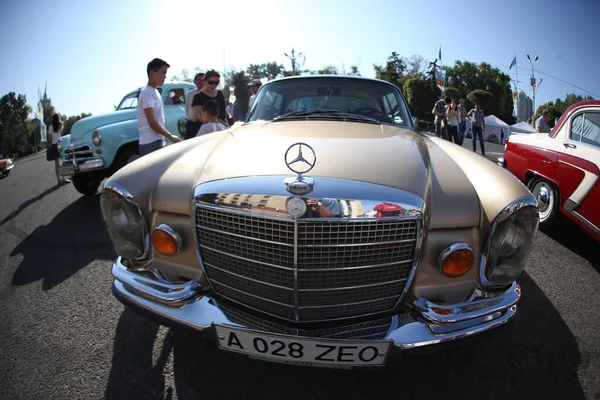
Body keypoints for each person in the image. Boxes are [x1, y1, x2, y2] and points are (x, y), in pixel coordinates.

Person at [137, 58, 182, 156]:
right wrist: (170, 136)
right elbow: (152, 121)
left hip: (157, 140)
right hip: (150, 142)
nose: (165, 77)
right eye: (163, 73)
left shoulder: (155, 91)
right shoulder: (147, 92)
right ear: (152, 73)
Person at [184, 72, 205, 140]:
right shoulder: (190, 94)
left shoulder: (208, 94)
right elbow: (187, 107)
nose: (201, 81)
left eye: (203, 79)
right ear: (195, 81)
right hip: (191, 123)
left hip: (203, 123)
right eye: (199, 79)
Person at [47, 113, 64, 184]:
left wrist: (49, 142)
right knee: (62, 161)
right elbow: (61, 135)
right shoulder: (60, 125)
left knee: (56, 163)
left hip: (54, 145)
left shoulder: (51, 127)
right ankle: (64, 177)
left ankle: (58, 179)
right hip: (60, 144)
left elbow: (50, 138)